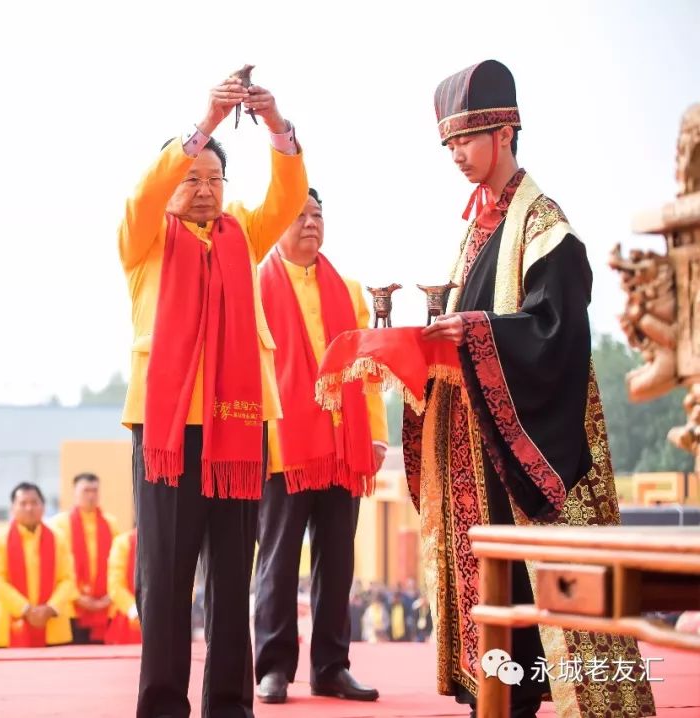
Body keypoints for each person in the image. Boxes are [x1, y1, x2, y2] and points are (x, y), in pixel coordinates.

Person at [414, 60, 656, 717]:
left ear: (505, 131)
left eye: (465, 139)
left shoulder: (543, 224)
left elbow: (556, 335)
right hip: (475, 448)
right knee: (492, 600)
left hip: (522, 453)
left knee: (528, 594)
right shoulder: (477, 230)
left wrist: (476, 332)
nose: (456, 154)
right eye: (449, 144)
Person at [118, 70, 307, 718]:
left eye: (213, 181)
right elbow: (144, 195)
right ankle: (164, 705)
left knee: (231, 579)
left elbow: (288, 198)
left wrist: (277, 125)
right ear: (172, 186)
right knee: (165, 582)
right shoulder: (144, 243)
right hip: (167, 436)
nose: (202, 191)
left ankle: (229, 705)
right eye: (190, 179)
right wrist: (204, 122)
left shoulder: (241, 237)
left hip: (235, 432)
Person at [253, 188, 386, 704]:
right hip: (283, 446)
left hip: (342, 444)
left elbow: (366, 371)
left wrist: (374, 434)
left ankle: (332, 665)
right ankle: (274, 667)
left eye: (317, 215)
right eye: (299, 216)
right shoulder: (256, 286)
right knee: (278, 561)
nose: (310, 224)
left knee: (338, 560)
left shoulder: (348, 290)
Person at [0, 483, 76, 647]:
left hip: (53, 622)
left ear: (43, 507)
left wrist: (50, 608)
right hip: (11, 623)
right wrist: (26, 609)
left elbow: (68, 578)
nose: (29, 508)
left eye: (34, 503)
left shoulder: (58, 538)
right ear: (13, 508)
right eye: (23, 503)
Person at [51, 472, 117, 645]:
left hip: (105, 605)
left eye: (95, 490)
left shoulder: (110, 523)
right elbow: (55, 567)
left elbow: (118, 565)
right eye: (86, 490)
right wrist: (77, 596)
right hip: (70, 607)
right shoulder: (59, 524)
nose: (91, 495)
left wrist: (109, 596)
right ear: (75, 493)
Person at [104, 527, 141, 645]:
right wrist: (137, 611)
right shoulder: (123, 543)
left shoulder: (171, 542)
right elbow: (115, 585)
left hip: (164, 619)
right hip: (128, 618)